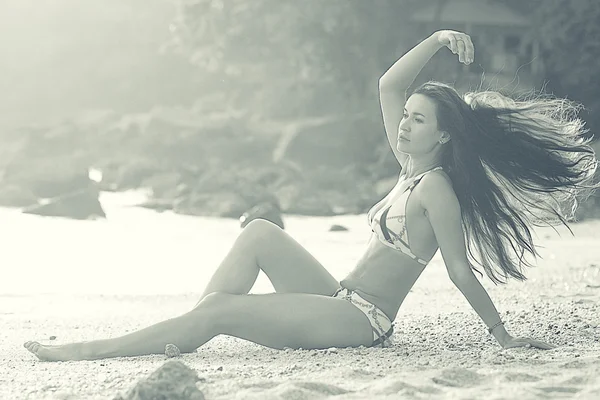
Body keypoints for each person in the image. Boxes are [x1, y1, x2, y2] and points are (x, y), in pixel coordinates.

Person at [25, 30, 598, 361]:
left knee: (222, 312)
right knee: (259, 232)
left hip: (362, 320)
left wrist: (504, 336)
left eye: (417, 121)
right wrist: (438, 40)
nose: (403, 124)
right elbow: (389, 86)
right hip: (339, 296)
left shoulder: (438, 189)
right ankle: (184, 331)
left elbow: (459, 270)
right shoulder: (409, 169)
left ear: (443, 134)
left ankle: (93, 350)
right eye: (407, 119)